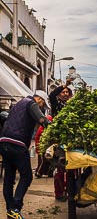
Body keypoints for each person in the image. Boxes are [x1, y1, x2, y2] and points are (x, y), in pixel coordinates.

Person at [0, 90, 51, 219]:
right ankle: (15, 207)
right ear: (39, 99)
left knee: (9, 178)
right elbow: (42, 119)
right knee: (26, 176)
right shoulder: (31, 103)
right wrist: (52, 128)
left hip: (4, 142)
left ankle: (10, 210)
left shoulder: (18, 104)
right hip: (17, 144)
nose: (41, 107)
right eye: (42, 105)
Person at [49, 79, 72, 201]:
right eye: (63, 92)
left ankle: (70, 191)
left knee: (72, 169)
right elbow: (52, 95)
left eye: (67, 92)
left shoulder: (72, 107)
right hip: (58, 139)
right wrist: (65, 85)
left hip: (70, 140)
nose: (65, 94)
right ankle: (59, 193)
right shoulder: (56, 104)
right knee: (60, 168)